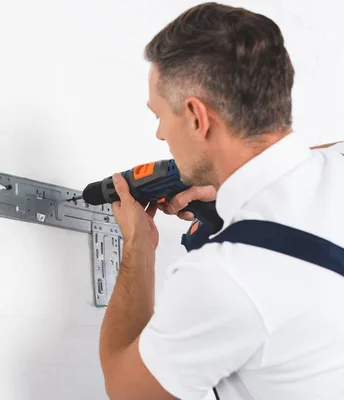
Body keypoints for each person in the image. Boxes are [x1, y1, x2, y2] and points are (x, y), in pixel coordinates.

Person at [98, 3, 344, 399]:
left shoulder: (226, 275)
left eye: (160, 115)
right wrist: (230, 179)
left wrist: (138, 245)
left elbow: (127, 388)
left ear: (197, 117)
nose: (160, 134)